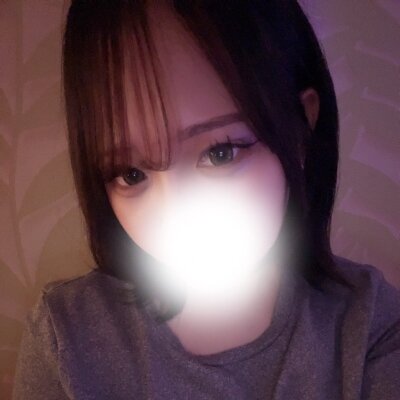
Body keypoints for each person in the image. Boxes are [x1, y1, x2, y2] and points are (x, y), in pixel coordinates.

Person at [12, 1, 400, 399]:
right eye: (131, 174)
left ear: (300, 130)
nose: (173, 218)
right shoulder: (66, 340)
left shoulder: (368, 329)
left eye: (220, 152)